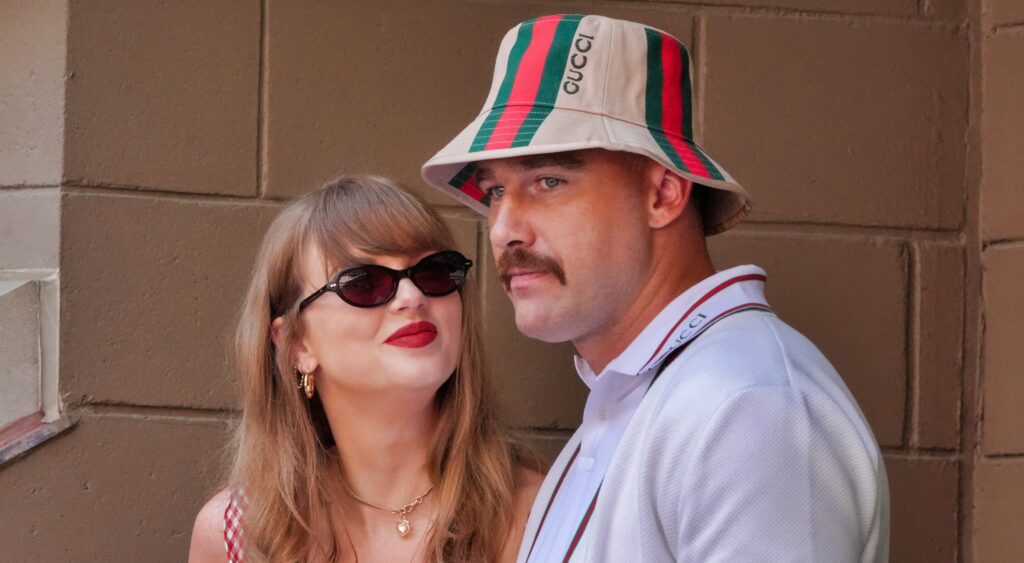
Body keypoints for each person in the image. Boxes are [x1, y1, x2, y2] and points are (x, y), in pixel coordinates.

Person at [422, 14, 889, 562]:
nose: (503, 229)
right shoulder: (645, 399)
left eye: (548, 181)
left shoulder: (745, 405)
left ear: (664, 194)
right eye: (496, 191)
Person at [188, 175, 542, 562]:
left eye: (434, 272)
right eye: (363, 283)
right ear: (296, 343)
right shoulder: (237, 534)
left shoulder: (536, 513)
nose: (412, 297)